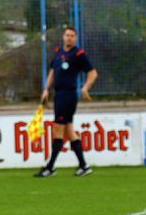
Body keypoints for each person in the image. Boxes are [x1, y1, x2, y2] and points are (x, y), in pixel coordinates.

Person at [34, 26, 99, 177]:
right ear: (63, 37)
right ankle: (83, 165)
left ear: (75, 38)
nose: (69, 38)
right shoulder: (58, 52)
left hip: (68, 96)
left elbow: (93, 73)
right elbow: (52, 71)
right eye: (67, 35)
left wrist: (85, 88)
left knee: (58, 129)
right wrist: (46, 89)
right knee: (69, 131)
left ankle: (50, 167)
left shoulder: (78, 54)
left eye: (72, 36)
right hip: (59, 94)